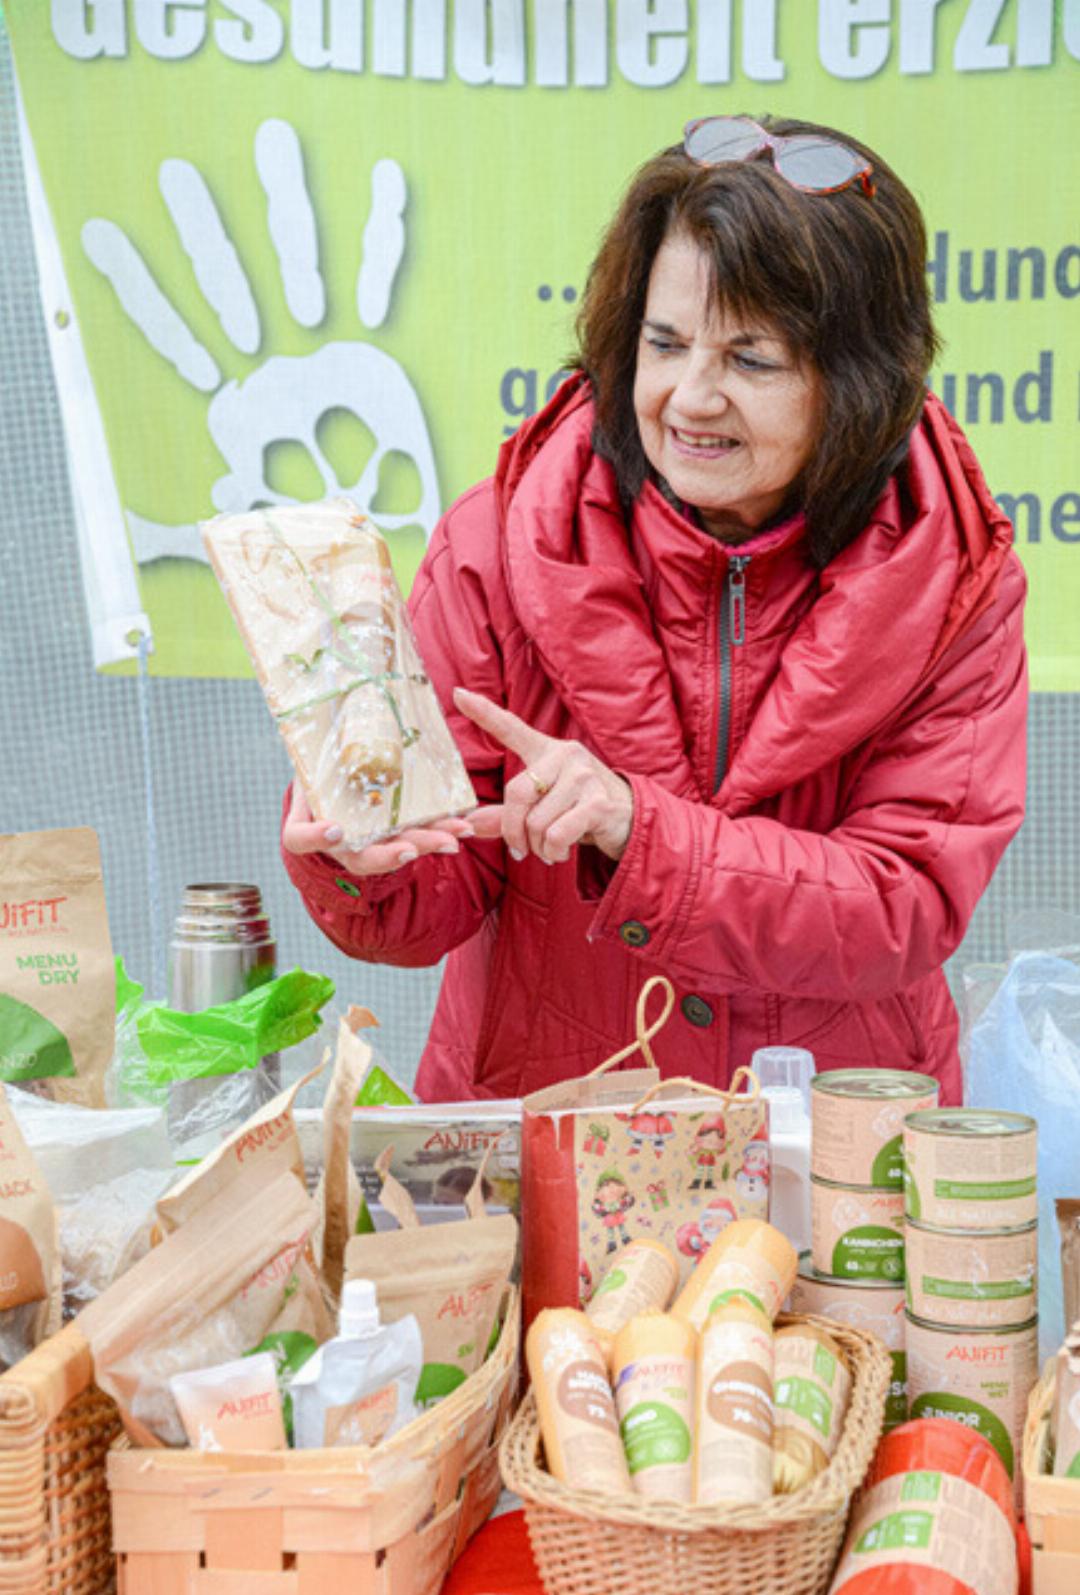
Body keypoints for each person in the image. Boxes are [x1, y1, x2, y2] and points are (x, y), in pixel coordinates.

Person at [283, 114, 1027, 1108]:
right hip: (545, 1141)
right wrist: (359, 854)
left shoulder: (956, 578)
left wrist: (641, 829)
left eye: (750, 359)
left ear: (857, 378)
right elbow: (425, 906)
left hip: (829, 1144)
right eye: (664, 343)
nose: (689, 396)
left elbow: (905, 903)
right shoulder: (497, 542)